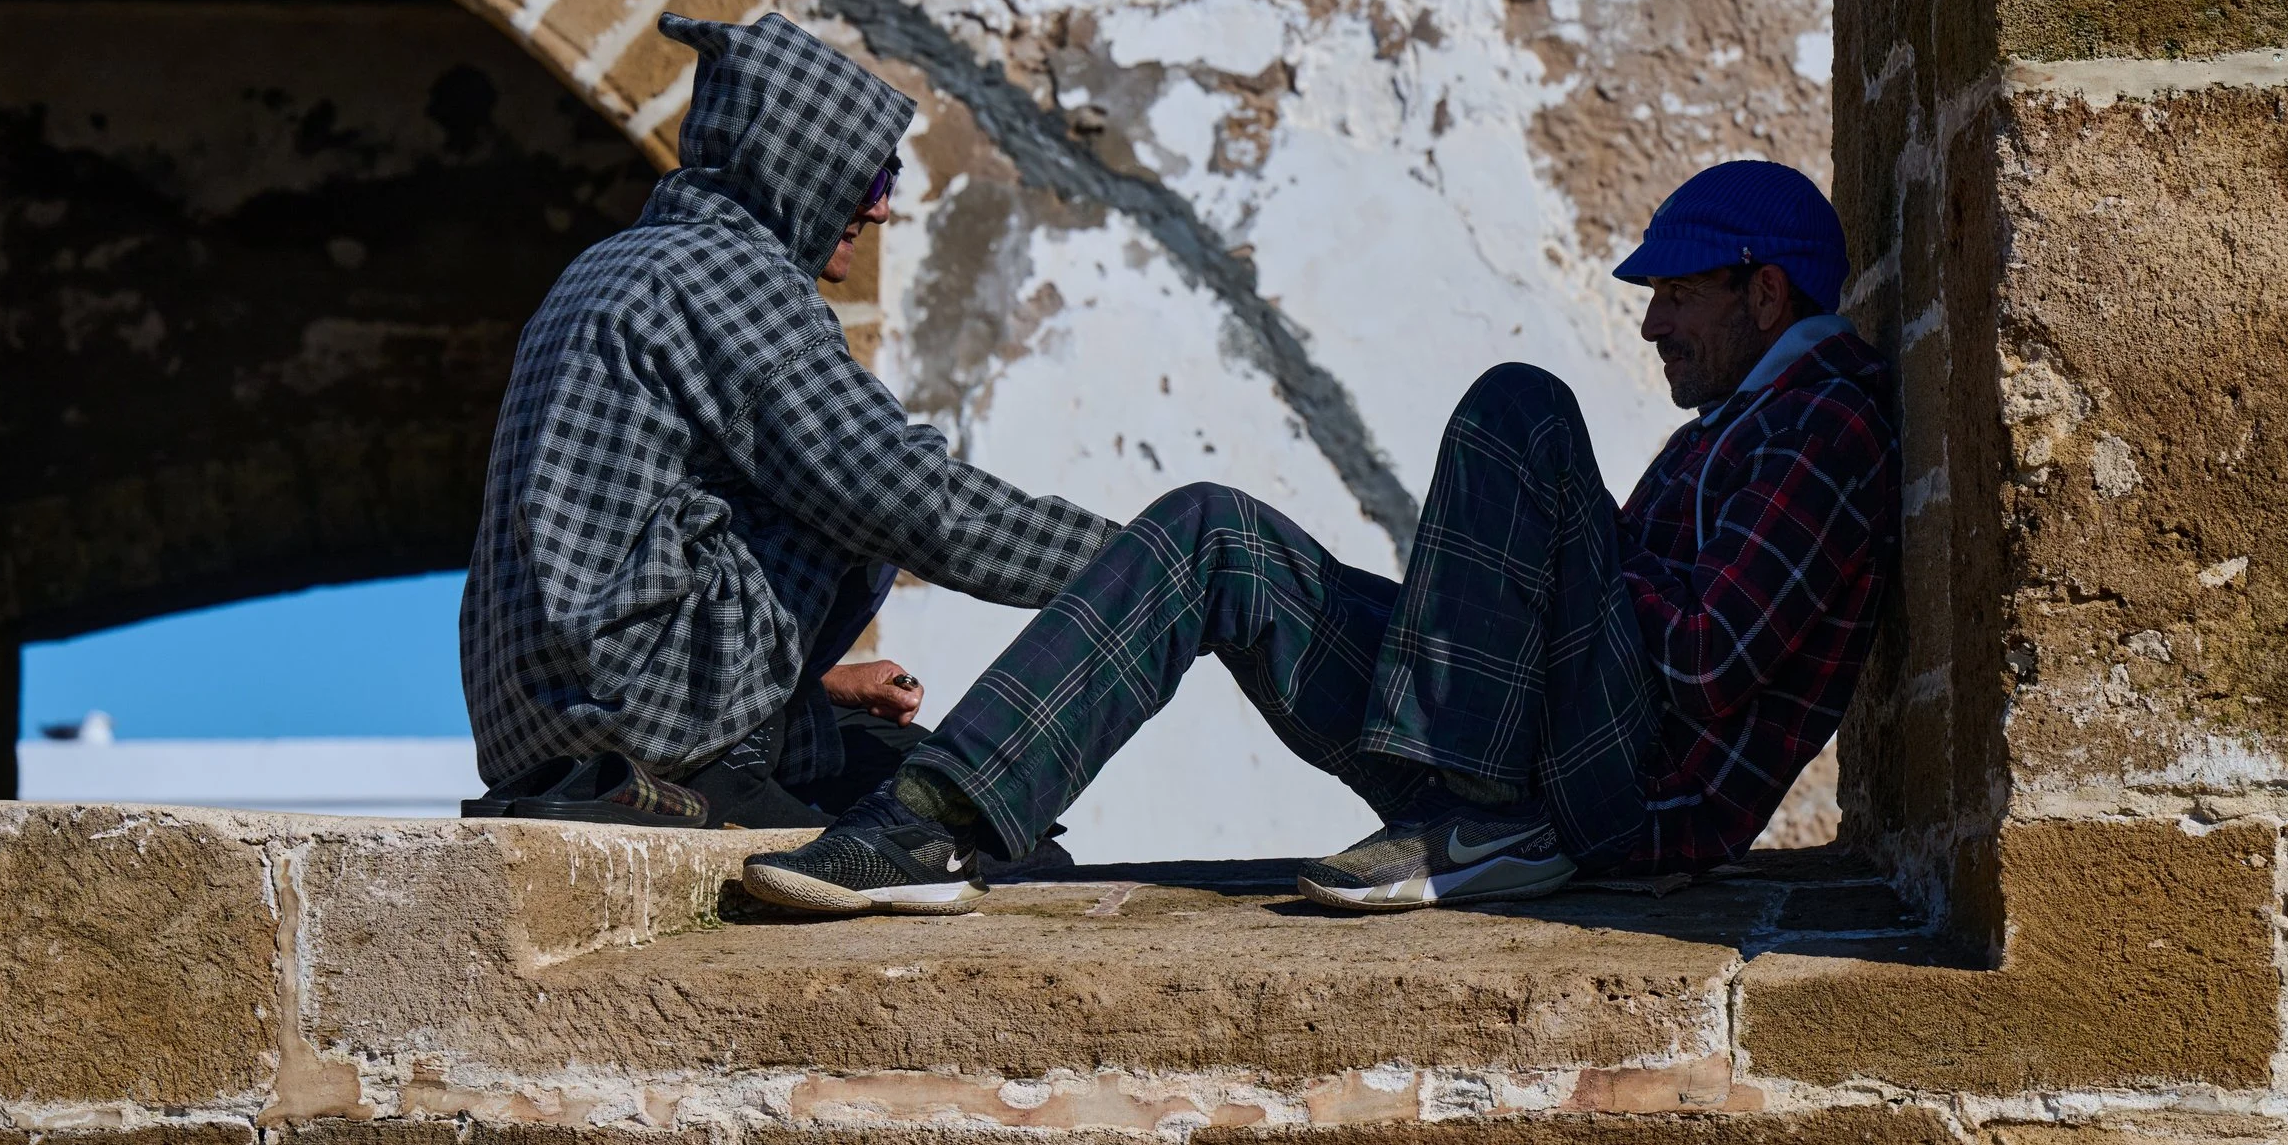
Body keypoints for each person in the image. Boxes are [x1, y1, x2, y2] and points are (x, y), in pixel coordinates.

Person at [740, 159, 1900, 916]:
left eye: (1678, 293)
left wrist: (1517, 580)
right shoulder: (1737, 425)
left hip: (1612, 800)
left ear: (1763, 292)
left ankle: (1478, 824)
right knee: (1213, 532)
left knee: (1518, 407)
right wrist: (1478, 613)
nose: (1651, 322)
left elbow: (1705, 659)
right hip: (1522, 747)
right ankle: (932, 823)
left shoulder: (1826, 414)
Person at [459, 12, 1113, 832]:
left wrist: (820, 685)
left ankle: (754, 736)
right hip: (643, 717)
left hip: (548, 725)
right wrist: (1138, 567)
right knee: (852, 476)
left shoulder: (615, 261)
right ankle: (725, 761)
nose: (878, 212)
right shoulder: (727, 273)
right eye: (868, 181)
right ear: (796, 169)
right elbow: (904, 493)